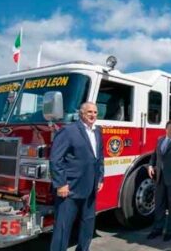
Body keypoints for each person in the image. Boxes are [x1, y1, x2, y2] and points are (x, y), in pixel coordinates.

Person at [50, 102, 104, 251]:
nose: (93, 115)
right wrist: (61, 183)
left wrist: (100, 178)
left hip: (90, 187)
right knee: (63, 228)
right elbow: (56, 159)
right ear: (81, 114)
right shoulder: (68, 131)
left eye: (95, 112)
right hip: (70, 189)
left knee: (88, 224)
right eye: (89, 112)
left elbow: (99, 158)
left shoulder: (98, 131)